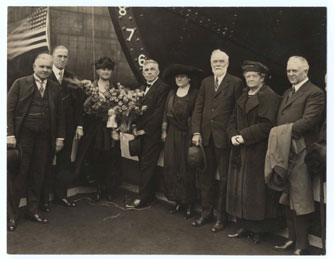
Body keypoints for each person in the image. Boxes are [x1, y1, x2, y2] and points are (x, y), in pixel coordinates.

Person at [273, 56, 325, 255]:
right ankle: (291, 238)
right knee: (287, 196)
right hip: (287, 150)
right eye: (288, 71)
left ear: (306, 70)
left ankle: (301, 245)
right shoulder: (287, 92)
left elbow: (308, 121)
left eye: (294, 70)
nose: (291, 74)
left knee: (301, 197)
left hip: (302, 150)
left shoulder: (315, 93)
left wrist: (280, 133)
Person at [7, 53, 65, 229]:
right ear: (34, 67)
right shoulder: (20, 83)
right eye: (42, 67)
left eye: (48, 67)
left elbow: (60, 115)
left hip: (44, 138)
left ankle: (32, 210)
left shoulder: (55, 88)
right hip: (23, 137)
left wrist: (59, 137)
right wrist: (9, 134)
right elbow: (7, 110)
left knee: (38, 175)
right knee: (19, 175)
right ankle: (11, 215)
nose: (45, 70)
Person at [226, 61, 282, 243]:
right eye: (247, 76)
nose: (250, 79)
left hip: (258, 150)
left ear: (262, 78)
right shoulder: (243, 95)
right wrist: (232, 134)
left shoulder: (269, 96)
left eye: (253, 76)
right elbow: (232, 118)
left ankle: (258, 229)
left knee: (255, 191)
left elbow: (267, 125)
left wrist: (243, 136)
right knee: (240, 189)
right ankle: (243, 225)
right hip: (241, 149)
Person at [191, 49, 243, 232]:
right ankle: (206, 213)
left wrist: (232, 133)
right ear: (211, 64)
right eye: (215, 62)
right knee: (205, 177)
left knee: (224, 179)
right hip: (206, 138)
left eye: (221, 61)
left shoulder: (236, 82)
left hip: (224, 139)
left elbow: (238, 112)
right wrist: (196, 132)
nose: (218, 64)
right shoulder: (205, 82)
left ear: (227, 64)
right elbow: (198, 108)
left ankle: (222, 218)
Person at [40, 45, 83, 211]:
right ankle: (43, 200)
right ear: (52, 57)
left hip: (69, 128)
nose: (62, 59)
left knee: (64, 163)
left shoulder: (72, 78)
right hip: (47, 128)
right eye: (59, 56)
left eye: (65, 56)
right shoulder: (44, 74)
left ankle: (60, 196)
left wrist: (79, 125)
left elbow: (78, 105)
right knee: (44, 162)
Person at [74, 56, 121, 202]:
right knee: (96, 156)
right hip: (95, 128)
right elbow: (83, 108)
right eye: (103, 69)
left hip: (110, 128)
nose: (106, 72)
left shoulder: (117, 89)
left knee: (110, 157)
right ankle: (99, 187)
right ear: (98, 70)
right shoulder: (90, 88)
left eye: (109, 69)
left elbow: (122, 107)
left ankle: (109, 188)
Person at [126, 59, 170, 208]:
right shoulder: (142, 87)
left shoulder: (163, 88)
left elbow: (159, 112)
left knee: (147, 165)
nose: (149, 72)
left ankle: (142, 197)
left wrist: (146, 130)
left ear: (158, 72)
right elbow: (135, 110)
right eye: (147, 70)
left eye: (152, 69)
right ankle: (149, 195)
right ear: (143, 73)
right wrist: (133, 126)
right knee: (142, 164)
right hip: (139, 133)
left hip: (152, 134)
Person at [161, 64, 202, 219]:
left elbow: (197, 114)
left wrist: (195, 134)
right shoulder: (172, 93)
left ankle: (189, 203)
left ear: (189, 78)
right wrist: (164, 131)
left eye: (182, 76)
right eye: (177, 76)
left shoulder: (195, 93)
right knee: (172, 166)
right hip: (172, 134)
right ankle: (177, 201)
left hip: (187, 134)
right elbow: (165, 113)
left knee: (186, 168)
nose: (179, 79)